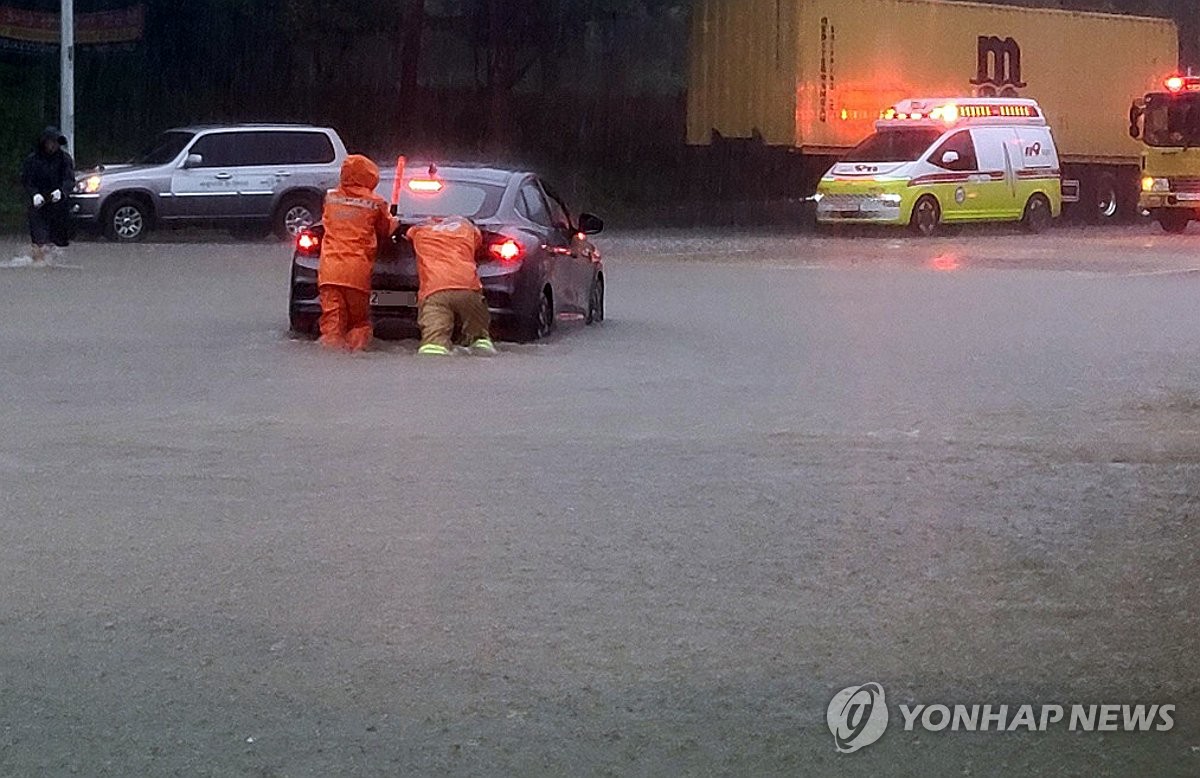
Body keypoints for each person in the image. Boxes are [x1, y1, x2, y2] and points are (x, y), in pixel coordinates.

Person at [317, 155, 397, 351]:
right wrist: (394, 221)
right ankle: (356, 360)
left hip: (329, 273)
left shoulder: (330, 198)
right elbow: (386, 229)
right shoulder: (376, 202)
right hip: (356, 273)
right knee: (359, 324)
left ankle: (330, 359)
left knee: (331, 326)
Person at [406, 215, 496, 356]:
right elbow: (478, 242)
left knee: (433, 346)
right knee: (479, 339)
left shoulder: (419, 230)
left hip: (435, 289)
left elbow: (402, 233)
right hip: (468, 287)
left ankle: (436, 357)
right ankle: (480, 342)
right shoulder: (468, 230)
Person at [20, 127, 75, 266]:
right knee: (38, 237)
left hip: (57, 204)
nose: (53, 146)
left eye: (56, 143)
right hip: (38, 203)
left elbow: (69, 179)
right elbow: (27, 180)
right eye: (50, 142)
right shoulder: (32, 160)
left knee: (56, 238)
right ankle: (38, 263)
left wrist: (62, 192)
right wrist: (34, 194)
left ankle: (52, 264)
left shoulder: (64, 159)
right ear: (44, 143)